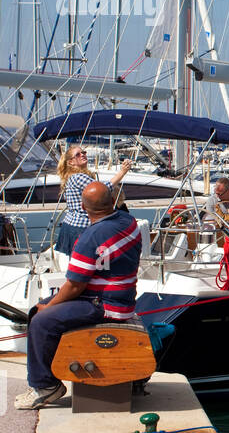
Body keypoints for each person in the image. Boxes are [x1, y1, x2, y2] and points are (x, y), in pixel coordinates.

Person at [16, 181, 143, 410]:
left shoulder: (90, 238)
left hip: (105, 304)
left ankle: (45, 386)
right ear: (112, 202)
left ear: (84, 208)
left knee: (40, 319)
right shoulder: (128, 221)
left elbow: (75, 286)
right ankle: (51, 373)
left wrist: (50, 306)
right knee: (41, 311)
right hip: (121, 299)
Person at [55, 145, 130, 256]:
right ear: (71, 162)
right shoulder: (78, 177)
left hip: (73, 225)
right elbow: (102, 189)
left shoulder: (72, 177)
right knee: (87, 261)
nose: (83, 155)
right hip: (81, 227)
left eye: (83, 152)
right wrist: (122, 172)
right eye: (78, 154)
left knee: (79, 260)